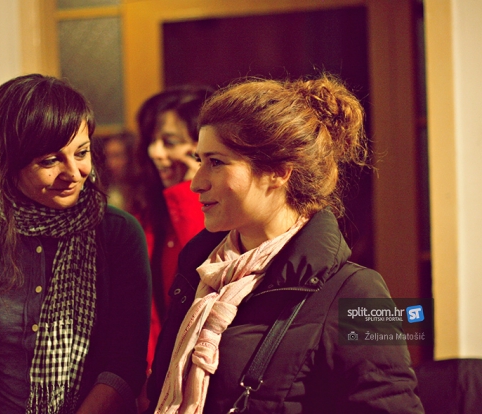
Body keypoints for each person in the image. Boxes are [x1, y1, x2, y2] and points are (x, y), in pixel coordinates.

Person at [146, 75, 424, 413]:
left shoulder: (359, 292)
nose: (197, 182)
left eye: (216, 162)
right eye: (199, 160)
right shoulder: (201, 271)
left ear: (278, 171)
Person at [0, 74, 151, 414]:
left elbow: (125, 363)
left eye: (82, 153)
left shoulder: (117, 233)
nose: (74, 173)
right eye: (50, 161)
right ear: (8, 161)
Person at [132, 86, 213, 368]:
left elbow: (202, 272)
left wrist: (191, 192)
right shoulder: (148, 211)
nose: (155, 152)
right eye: (152, 141)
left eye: (170, 142)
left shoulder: (227, 216)